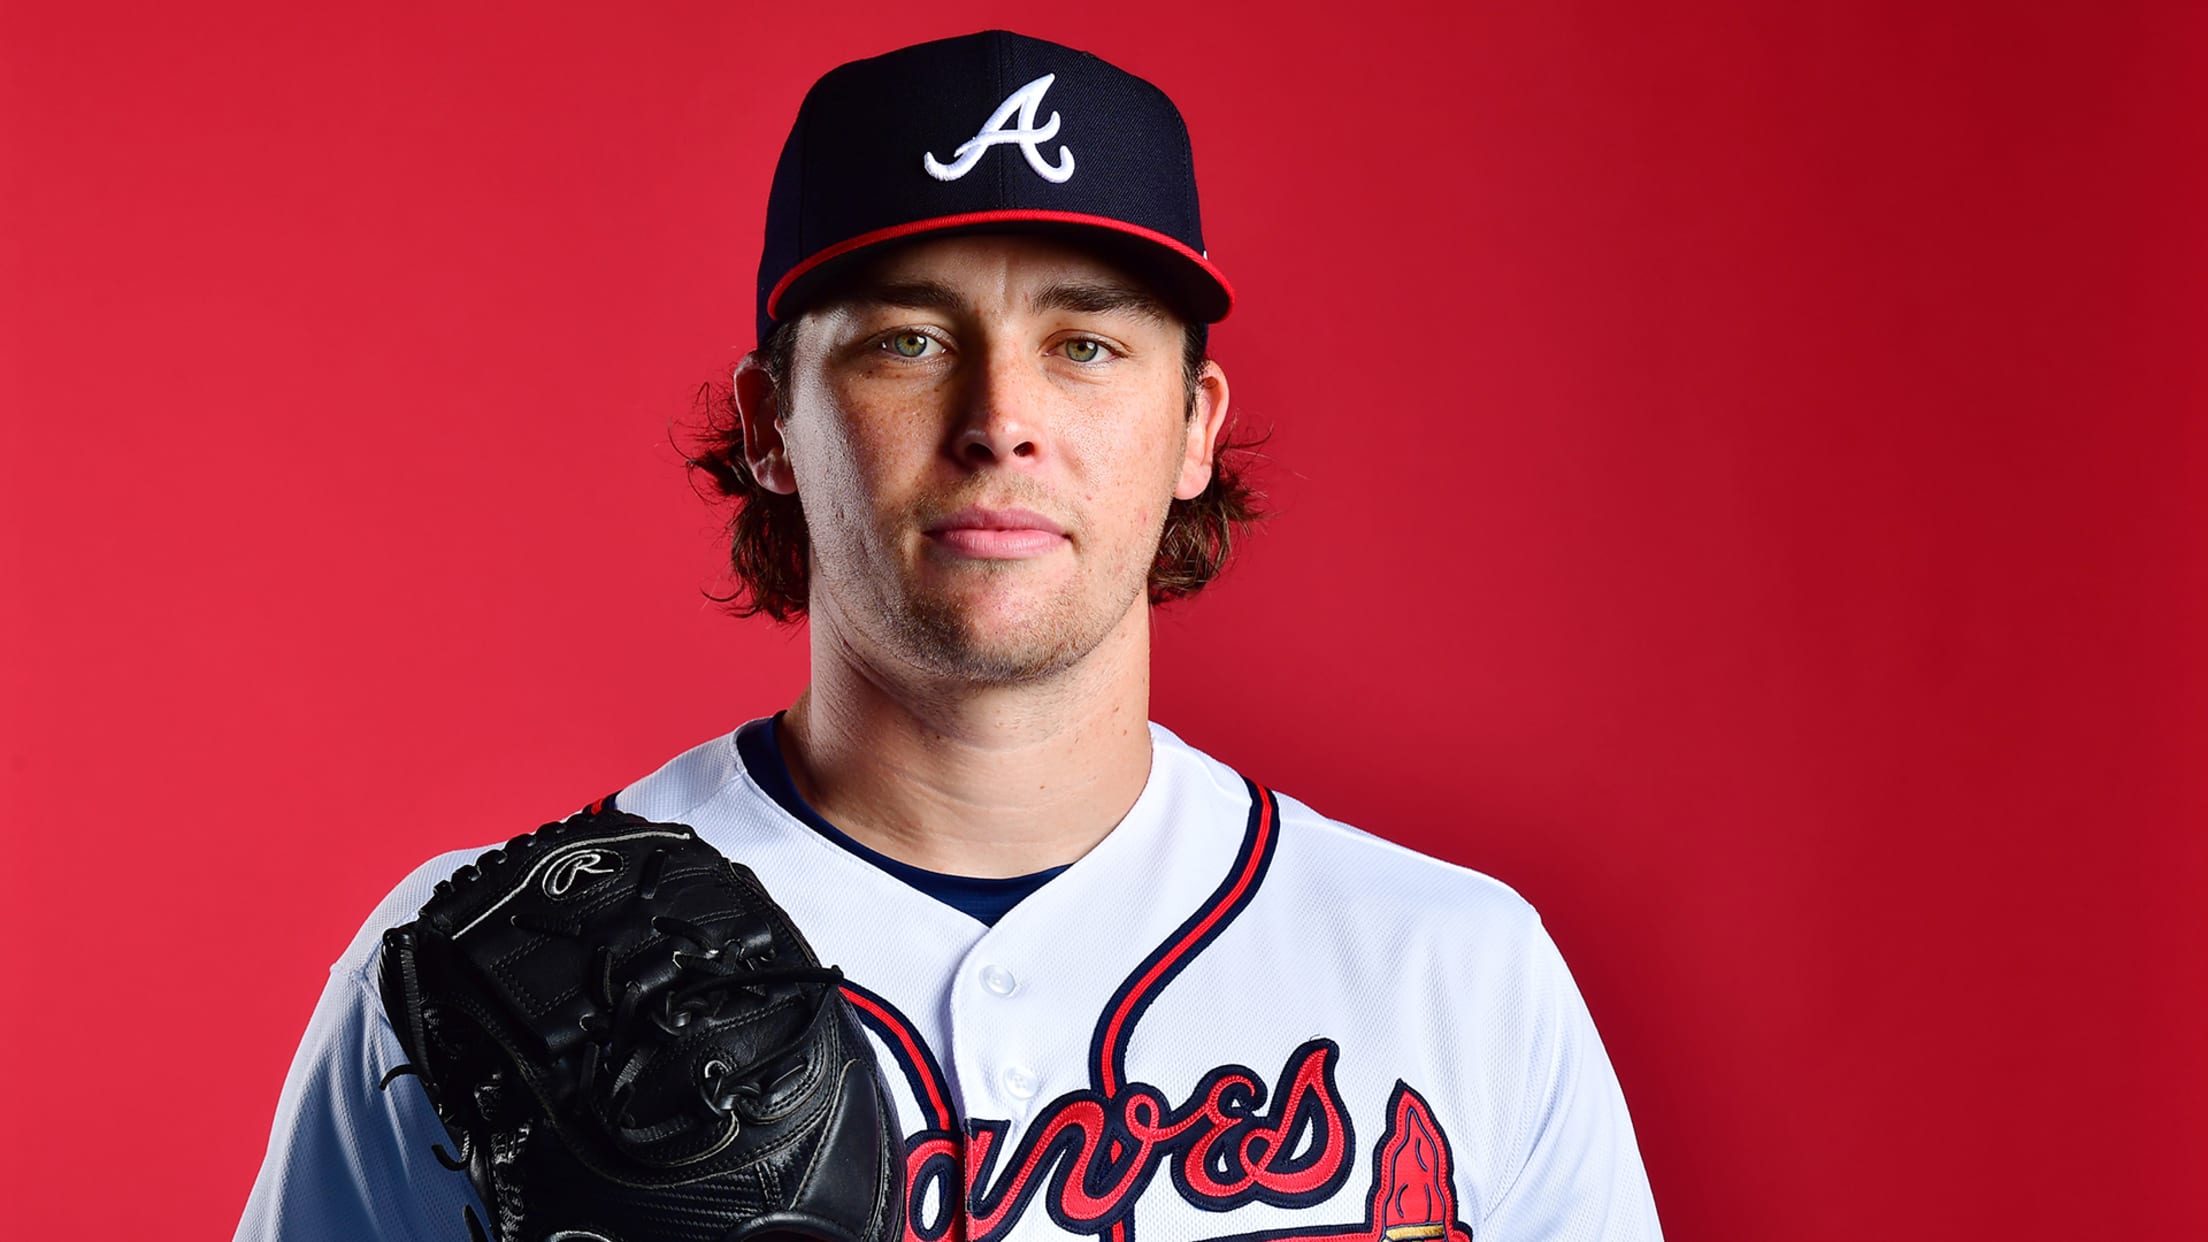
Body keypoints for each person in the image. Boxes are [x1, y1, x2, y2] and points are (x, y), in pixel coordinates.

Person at [237, 29, 1663, 1242]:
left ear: (1193, 427)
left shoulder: (1460, 974)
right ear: (769, 424)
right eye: (905, 340)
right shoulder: (476, 982)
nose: (1001, 419)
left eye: (1087, 343)